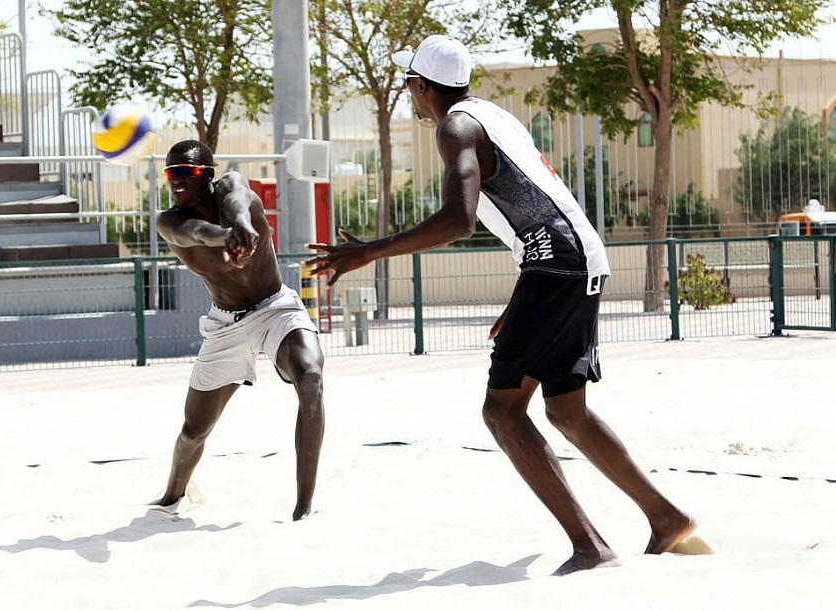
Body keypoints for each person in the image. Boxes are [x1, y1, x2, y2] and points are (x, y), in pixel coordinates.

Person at [305, 35, 696, 574]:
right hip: (577, 258)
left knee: (502, 412)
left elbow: (459, 219)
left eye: (410, 85)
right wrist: (523, 295)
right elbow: (538, 206)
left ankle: (590, 547)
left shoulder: (455, 127)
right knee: (566, 411)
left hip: (555, 264)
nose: (410, 95)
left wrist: (370, 250)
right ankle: (666, 517)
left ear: (422, 86)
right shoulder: (493, 116)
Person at [153, 139, 325, 521]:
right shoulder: (170, 221)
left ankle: (303, 509)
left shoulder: (230, 185)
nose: (176, 180)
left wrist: (243, 225)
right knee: (194, 430)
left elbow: (239, 201)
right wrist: (226, 236)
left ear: (207, 175)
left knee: (310, 377)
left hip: (275, 306)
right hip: (225, 324)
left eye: (185, 172)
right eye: (170, 173)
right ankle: (171, 496)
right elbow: (197, 232)